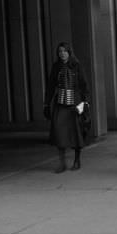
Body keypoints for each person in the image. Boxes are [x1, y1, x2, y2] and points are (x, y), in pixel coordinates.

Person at [43, 42, 89, 173]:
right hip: (60, 103)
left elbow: (84, 85)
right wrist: (46, 104)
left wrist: (85, 103)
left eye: (64, 51)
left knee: (76, 132)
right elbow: (51, 86)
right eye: (60, 51)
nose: (62, 53)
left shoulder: (76, 66)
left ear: (69, 52)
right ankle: (62, 163)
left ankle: (77, 160)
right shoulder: (56, 67)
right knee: (58, 131)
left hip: (74, 103)